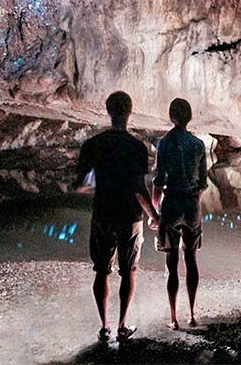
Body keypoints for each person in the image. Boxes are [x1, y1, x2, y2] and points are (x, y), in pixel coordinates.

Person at [75, 91, 157, 343]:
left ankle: (104, 327)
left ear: (108, 111)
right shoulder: (136, 147)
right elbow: (138, 187)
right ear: (129, 113)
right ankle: (122, 325)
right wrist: (154, 215)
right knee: (129, 270)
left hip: (103, 212)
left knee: (102, 271)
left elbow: (80, 185)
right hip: (130, 216)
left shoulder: (92, 145)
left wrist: (100, 183)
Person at [151, 97, 210, 330]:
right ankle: (193, 315)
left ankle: (174, 318)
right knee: (191, 259)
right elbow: (203, 182)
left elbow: (158, 181)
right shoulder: (198, 145)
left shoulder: (164, 143)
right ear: (189, 117)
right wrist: (195, 201)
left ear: (171, 117)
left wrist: (155, 211)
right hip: (191, 204)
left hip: (172, 203)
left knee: (172, 260)